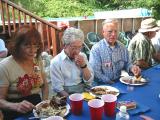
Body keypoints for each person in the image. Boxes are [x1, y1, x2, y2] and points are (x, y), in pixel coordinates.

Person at [0, 25, 49, 120]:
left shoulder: (37, 61)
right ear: (16, 46)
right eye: (27, 45)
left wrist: (44, 103)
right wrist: (16, 106)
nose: (33, 50)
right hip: (15, 113)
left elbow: (45, 86)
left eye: (35, 45)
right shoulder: (4, 66)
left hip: (37, 108)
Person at [89, 18, 141, 84]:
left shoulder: (122, 47)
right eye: (110, 31)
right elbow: (96, 72)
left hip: (119, 81)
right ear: (103, 32)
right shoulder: (96, 49)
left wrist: (132, 68)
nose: (113, 34)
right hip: (102, 85)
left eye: (116, 31)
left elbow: (128, 63)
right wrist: (110, 82)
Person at [50, 27, 94, 97]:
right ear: (64, 45)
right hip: (66, 94)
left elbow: (89, 81)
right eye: (73, 48)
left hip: (83, 91)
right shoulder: (56, 62)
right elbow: (58, 88)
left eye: (79, 47)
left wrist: (83, 66)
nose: (77, 51)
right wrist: (72, 100)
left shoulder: (82, 56)